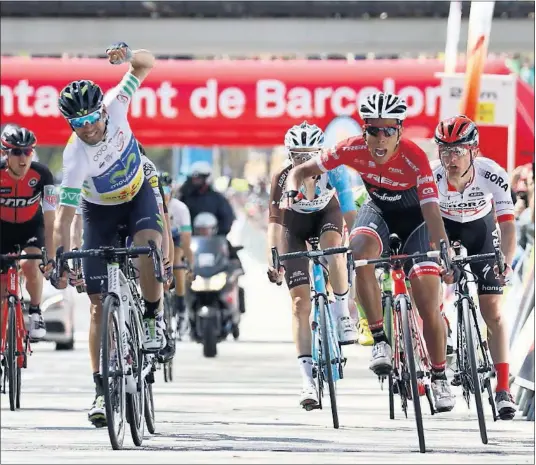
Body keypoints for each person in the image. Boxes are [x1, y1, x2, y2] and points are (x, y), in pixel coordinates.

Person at [280, 93, 456, 412]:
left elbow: (431, 208)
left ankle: (440, 376)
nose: (380, 137)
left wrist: (442, 247)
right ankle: (379, 340)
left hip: (416, 218)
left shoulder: (414, 157)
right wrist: (293, 188)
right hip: (376, 211)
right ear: (364, 131)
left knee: (428, 303)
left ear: (400, 132)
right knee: (358, 252)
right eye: (373, 129)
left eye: (388, 130)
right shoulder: (351, 149)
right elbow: (300, 170)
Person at [51, 42, 166, 427]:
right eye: (77, 124)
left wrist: (130, 56)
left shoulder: (117, 102)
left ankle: (151, 317)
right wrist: (59, 258)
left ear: (102, 111)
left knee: (147, 248)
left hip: (137, 196)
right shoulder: (74, 158)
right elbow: (64, 217)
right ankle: (101, 387)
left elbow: (146, 65)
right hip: (97, 211)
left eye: (91, 119)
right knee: (98, 303)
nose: (87, 128)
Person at [267, 121, 358, 408]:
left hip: (326, 217)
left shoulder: (335, 169)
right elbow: (275, 223)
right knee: (299, 305)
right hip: (294, 227)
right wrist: (274, 258)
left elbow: (350, 214)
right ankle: (307, 380)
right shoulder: (282, 177)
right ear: (288, 154)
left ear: (321, 152)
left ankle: (342, 313)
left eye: (309, 154)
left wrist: (353, 246)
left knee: (335, 247)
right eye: (297, 155)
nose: (303, 161)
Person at [432, 115, 517, 419]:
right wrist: (441, 260)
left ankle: (503, 389)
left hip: (481, 229)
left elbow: (507, 225)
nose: (449, 159)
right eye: (444, 151)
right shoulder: (432, 177)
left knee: (491, 310)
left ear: (474, 152)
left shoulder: (492, 174)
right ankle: (445, 343)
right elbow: (426, 226)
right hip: (443, 228)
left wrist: (505, 260)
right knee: (429, 290)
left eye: (457, 151)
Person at [0, 126, 55, 340]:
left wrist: (50, 255)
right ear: (5, 153)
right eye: (16, 152)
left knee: (30, 265)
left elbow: (51, 220)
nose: (23, 158)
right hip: (3, 230)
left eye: (28, 151)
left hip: (31, 227)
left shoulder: (43, 175)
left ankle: (35, 311)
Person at [159, 171, 194, 338]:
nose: (163, 196)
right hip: (158, 238)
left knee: (177, 261)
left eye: (165, 191)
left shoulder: (180, 208)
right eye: (159, 192)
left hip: (176, 239)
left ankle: (181, 309)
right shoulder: (151, 204)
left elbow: (186, 240)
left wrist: (189, 261)